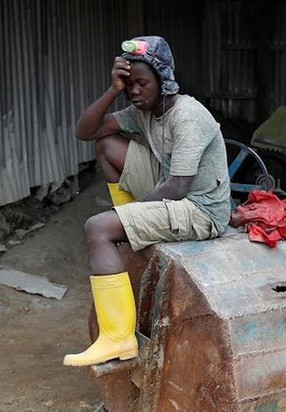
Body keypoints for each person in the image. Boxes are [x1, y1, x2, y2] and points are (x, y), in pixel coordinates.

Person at [63, 36, 231, 367]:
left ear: (164, 80)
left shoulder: (187, 116)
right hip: (169, 185)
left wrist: (122, 221)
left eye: (142, 83)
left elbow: (179, 186)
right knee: (107, 146)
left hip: (200, 210)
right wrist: (112, 90)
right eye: (129, 86)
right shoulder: (145, 111)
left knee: (98, 228)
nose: (134, 91)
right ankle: (127, 225)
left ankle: (117, 338)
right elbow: (86, 131)